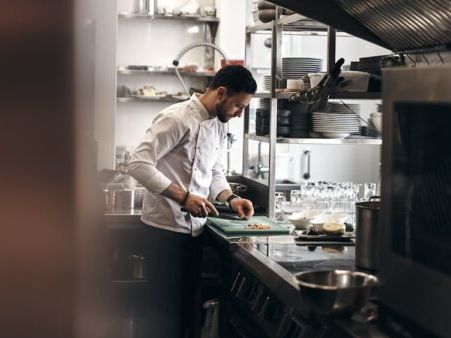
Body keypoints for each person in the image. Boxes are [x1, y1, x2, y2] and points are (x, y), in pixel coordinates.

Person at [128, 65, 257, 338]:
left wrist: (231, 198)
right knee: (160, 315)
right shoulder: (176, 118)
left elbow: (214, 171)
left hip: (195, 233)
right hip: (163, 232)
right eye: (238, 105)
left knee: (187, 314)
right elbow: (138, 163)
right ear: (221, 93)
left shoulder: (219, 125)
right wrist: (183, 197)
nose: (239, 113)